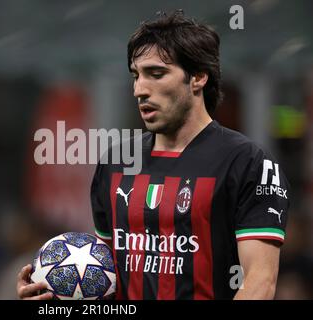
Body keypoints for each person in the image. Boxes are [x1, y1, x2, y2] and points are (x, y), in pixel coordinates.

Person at [17, 10, 290, 300]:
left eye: (156, 74)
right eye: (136, 76)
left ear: (198, 77)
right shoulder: (116, 163)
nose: (140, 89)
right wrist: (54, 297)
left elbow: (260, 281)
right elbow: (107, 282)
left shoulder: (249, 163)